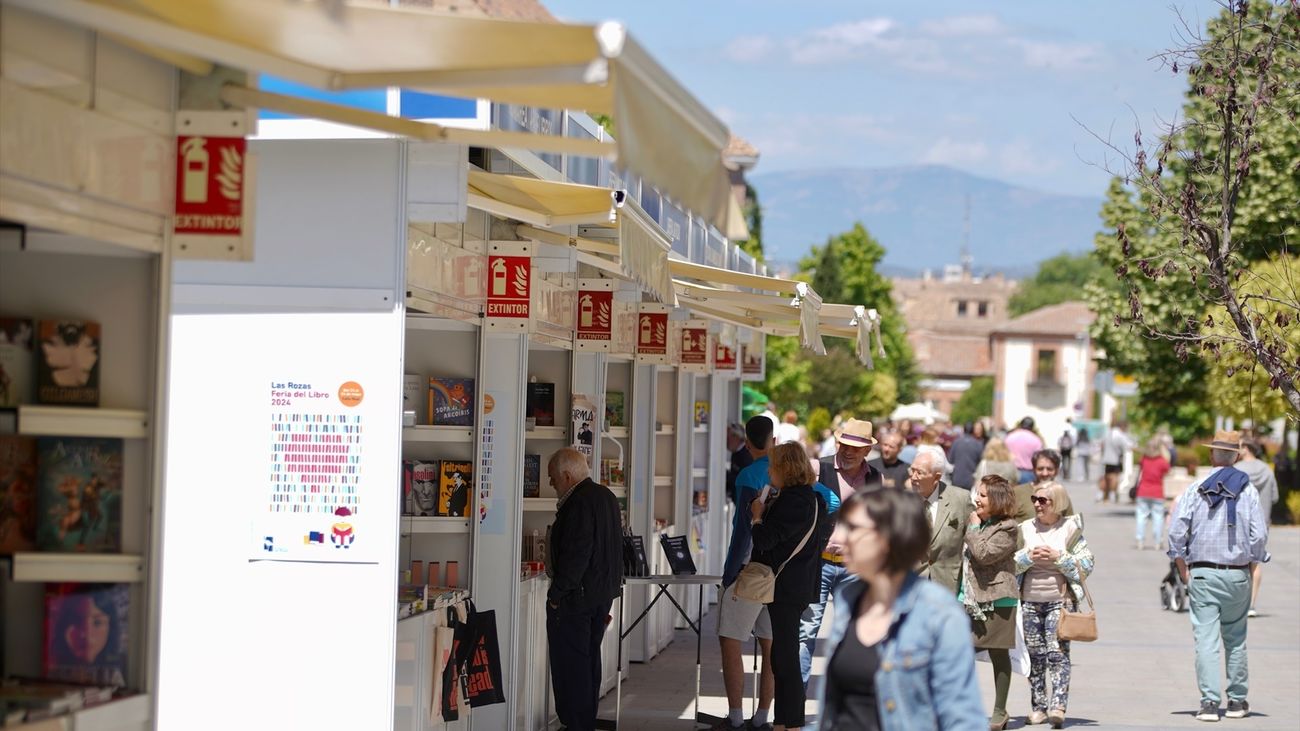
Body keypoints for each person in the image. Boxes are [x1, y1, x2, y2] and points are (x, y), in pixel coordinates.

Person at [816, 489, 986, 731]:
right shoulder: (848, 598)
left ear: (887, 539)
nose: (838, 537)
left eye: (852, 528)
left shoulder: (939, 613)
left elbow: (963, 719)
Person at [1166, 430, 1270, 722]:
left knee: (1206, 640)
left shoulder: (1194, 488)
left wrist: (1181, 566)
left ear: (1212, 455)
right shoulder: (1247, 490)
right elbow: (1259, 535)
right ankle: (1237, 701)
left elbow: (1176, 531)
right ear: (1237, 456)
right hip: (1237, 574)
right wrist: (1252, 562)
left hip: (1202, 572)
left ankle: (1210, 703)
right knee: (1236, 638)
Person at [749, 442, 830, 731]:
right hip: (794, 585)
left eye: (773, 465)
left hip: (788, 587)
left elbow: (765, 540)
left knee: (785, 659)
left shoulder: (794, 501)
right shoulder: (809, 498)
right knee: (782, 657)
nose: (769, 470)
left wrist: (757, 515)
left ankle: (792, 722)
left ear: (785, 468)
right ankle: (783, 721)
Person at [799, 419, 881, 687]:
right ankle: (796, 700)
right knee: (807, 631)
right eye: (844, 445)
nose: (847, 451)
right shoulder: (818, 468)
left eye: (855, 448)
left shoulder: (874, 478)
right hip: (818, 563)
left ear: (867, 451)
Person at [545, 448, 623, 731]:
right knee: (588, 661)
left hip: (576, 599)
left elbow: (577, 553)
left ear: (567, 476)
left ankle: (576, 723)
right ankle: (585, 720)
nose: (551, 484)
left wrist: (556, 594)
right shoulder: (606, 497)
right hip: (600, 595)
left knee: (571, 666)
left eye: (553, 479)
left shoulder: (578, 503)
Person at [1014, 482, 1093, 729]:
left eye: (1043, 500)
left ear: (1056, 503)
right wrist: (1028, 558)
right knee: (1035, 656)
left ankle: (1058, 706)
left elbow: (1086, 565)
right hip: (1028, 601)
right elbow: (1009, 564)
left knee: (1056, 653)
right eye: (1035, 499)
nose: (1037, 504)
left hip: (1060, 602)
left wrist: (1060, 558)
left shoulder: (1070, 529)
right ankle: (1038, 708)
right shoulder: (1024, 529)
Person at [717, 416, 777, 730]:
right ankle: (763, 716)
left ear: (748, 443)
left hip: (750, 571)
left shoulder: (748, 475)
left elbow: (742, 532)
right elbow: (832, 501)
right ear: (774, 440)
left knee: (730, 639)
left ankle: (736, 717)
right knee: (770, 645)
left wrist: (729, 575)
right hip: (781, 572)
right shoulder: (795, 475)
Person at [960, 475, 1020, 730]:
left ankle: (999, 711)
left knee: (998, 653)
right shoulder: (977, 521)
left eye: (983, 495)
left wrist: (973, 529)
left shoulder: (1008, 528)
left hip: (998, 598)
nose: (977, 499)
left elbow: (984, 555)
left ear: (996, 499)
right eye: (978, 493)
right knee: (960, 653)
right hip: (970, 598)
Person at [909, 446, 972, 594]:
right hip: (912, 584)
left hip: (948, 584)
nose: (913, 477)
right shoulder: (901, 501)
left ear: (936, 477)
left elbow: (974, 536)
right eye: (912, 470)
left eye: (920, 473)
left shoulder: (960, 499)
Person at [1236, 441, 1278, 617]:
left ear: (1246, 449)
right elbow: (1275, 497)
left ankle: (1239, 603)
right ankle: (1252, 605)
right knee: (1255, 563)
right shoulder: (1267, 470)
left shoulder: (1237, 469)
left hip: (1241, 522)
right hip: (1262, 521)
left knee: (1239, 564)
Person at [1135, 437, 1172, 550]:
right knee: (1158, 517)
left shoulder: (1144, 459)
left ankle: (1140, 540)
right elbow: (1167, 471)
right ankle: (1157, 541)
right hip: (1157, 492)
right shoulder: (1162, 461)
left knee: (1141, 516)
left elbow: (1140, 470)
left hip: (1142, 491)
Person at [1012, 449, 1062, 523]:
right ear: (1034, 470)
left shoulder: (1060, 493)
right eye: (1040, 469)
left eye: (1049, 469)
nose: (1045, 473)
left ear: (1057, 471)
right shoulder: (1017, 492)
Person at [1100, 419, 1136, 504]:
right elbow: (1128, 445)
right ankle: (1113, 494)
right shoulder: (1120, 435)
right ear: (1123, 427)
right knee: (1115, 477)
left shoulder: (1108, 433)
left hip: (1106, 458)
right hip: (1115, 459)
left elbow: (1102, 444)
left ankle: (1106, 496)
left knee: (1107, 477)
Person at [1005, 417, 1044, 485]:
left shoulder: (1009, 437)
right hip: (1028, 473)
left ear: (1020, 424)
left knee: (1009, 494)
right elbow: (1038, 458)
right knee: (1026, 495)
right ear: (1032, 426)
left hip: (1010, 470)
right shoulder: (1036, 440)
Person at [949, 423, 987, 490]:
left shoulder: (956, 442)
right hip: (971, 479)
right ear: (973, 431)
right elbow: (981, 462)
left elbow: (950, 460)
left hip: (957, 478)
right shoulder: (978, 444)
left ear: (963, 430)